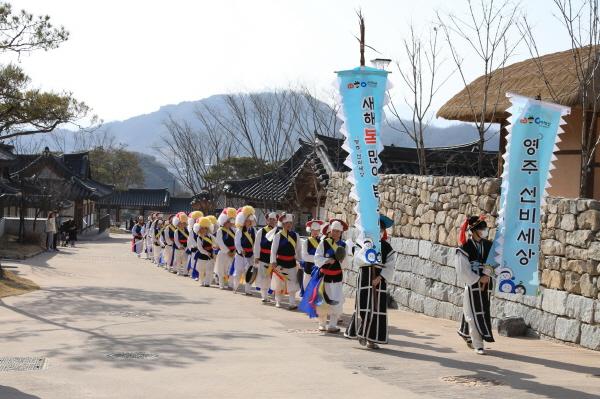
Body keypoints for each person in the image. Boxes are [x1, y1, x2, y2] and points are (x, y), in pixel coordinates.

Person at [345, 214, 397, 349]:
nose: (379, 232)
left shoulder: (387, 247)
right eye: (377, 229)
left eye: (381, 230)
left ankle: (372, 339)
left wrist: (380, 278)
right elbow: (356, 260)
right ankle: (361, 332)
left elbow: (390, 265)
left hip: (378, 281)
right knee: (363, 305)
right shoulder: (363, 243)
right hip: (364, 278)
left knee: (376, 308)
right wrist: (367, 254)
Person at [456, 215, 495, 355]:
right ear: (473, 230)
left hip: (485, 284)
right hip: (472, 284)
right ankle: (478, 344)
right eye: (481, 228)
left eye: (485, 228)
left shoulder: (489, 245)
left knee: (481, 311)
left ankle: (466, 333)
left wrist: (486, 275)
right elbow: (463, 269)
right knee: (473, 313)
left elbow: (494, 261)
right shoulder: (464, 247)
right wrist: (478, 279)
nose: (484, 231)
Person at [314, 219, 348, 333]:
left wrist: (341, 259)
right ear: (330, 230)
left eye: (338, 231)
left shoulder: (344, 245)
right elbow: (317, 257)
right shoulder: (324, 242)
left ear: (341, 232)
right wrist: (327, 260)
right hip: (324, 277)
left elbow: (346, 263)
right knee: (323, 301)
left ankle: (333, 325)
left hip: (337, 278)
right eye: (334, 231)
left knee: (336, 300)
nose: (335, 233)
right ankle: (322, 324)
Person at [269, 212, 301, 309]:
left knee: (292, 283)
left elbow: (298, 250)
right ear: (283, 224)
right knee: (279, 283)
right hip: (280, 263)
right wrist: (273, 261)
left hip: (291, 263)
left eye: (290, 223)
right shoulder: (278, 235)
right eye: (287, 223)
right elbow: (273, 250)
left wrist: (300, 261)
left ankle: (292, 303)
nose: (289, 225)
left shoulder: (296, 235)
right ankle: (278, 301)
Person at [253, 212, 278, 303]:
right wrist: (256, 256)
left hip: (275, 259)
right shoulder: (261, 231)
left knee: (275, 278)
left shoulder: (278, 232)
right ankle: (264, 296)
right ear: (267, 220)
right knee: (264, 277)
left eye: (274, 220)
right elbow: (257, 245)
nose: (272, 221)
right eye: (270, 219)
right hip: (263, 257)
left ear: (276, 221)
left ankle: (276, 296)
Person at [233, 206, 256, 295]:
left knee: (249, 271)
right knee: (238, 271)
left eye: (251, 220)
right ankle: (235, 287)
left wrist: (255, 252)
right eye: (248, 220)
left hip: (250, 254)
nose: (250, 222)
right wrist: (240, 250)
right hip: (241, 254)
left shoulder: (254, 230)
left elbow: (255, 242)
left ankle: (248, 290)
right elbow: (237, 243)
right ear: (243, 220)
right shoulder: (239, 230)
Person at [214, 208, 237, 289]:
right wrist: (228, 252)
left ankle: (230, 284)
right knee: (221, 269)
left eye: (230, 221)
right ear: (223, 221)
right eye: (228, 221)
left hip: (233, 253)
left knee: (231, 268)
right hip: (223, 253)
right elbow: (220, 242)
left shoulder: (234, 230)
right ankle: (221, 284)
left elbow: (237, 241)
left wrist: (234, 251)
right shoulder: (220, 230)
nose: (230, 223)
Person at [301, 219, 323, 293]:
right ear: (311, 230)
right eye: (314, 230)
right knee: (307, 288)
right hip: (308, 268)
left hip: (318, 269)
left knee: (316, 290)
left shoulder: (322, 242)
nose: (316, 232)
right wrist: (318, 259)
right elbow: (305, 256)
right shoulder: (306, 242)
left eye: (317, 230)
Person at [196, 217, 216, 287]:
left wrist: (214, 249)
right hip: (202, 256)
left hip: (210, 256)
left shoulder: (211, 236)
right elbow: (200, 249)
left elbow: (215, 243)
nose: (203, 229)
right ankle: (201, 281)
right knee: (201, 271)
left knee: (209, 270)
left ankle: (207, 282)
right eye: (202, 228)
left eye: (205, 228)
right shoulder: (199, 238)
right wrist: (207, 253)